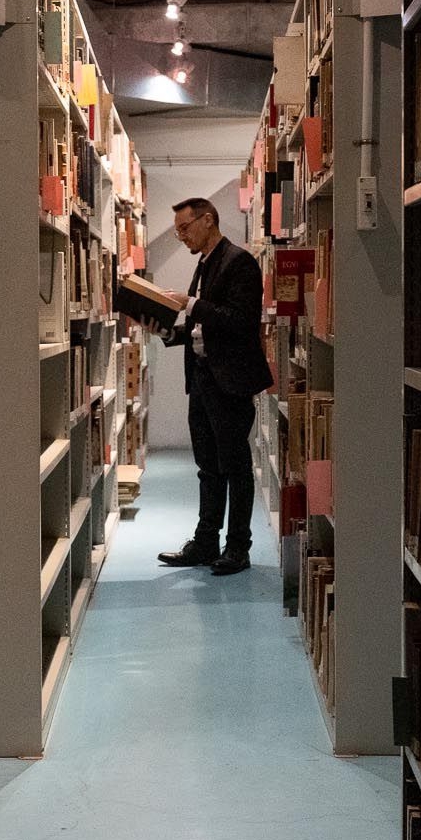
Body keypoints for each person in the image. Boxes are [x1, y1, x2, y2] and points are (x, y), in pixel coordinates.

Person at [150, 197, 273, 575]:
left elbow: (239, 321)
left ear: (208, 220)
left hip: (230, 381)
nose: (180, 235)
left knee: (235, 465)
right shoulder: (204, 265)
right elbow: (205, 329)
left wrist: (190, 303)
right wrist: (161, 326)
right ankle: (206, 542)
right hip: (203, 377)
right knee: (207, 465)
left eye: (184, 228)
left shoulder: (239, 262)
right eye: (177, 230)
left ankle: (238, 548)